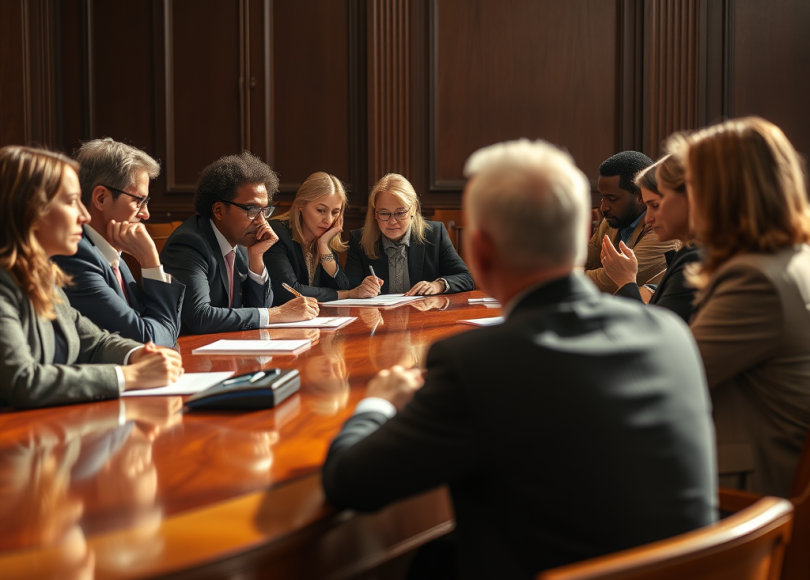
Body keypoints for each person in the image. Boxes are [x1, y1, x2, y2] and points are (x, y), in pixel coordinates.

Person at [322, 139, 717, 579]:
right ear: (578, 240)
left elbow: (350, 483)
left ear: (483, 252)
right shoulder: (670, 335)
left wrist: (377, 402)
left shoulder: (474, 363)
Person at [682, 117, 810, 497]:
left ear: (721, 193)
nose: (688, 201)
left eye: (690, 186)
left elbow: (678, 377)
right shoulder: (794, 259)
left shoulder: (754, 279)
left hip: (746, 495)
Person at [0, 146, 184, 410]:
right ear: (30, 209)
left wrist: (137, 354)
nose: (84, 215)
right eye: (71, 201)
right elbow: (22, 380)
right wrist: (128, 375)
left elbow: (94, 342)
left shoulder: (42, 275)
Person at [161, 151, 319, 334]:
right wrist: (277, 313)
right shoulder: (189, 244)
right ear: (219, 211)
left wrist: (256, 258)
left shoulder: (243, 242)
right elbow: (199, 317)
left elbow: (258, 306)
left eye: (265, 210)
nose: (262, 221)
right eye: (252, 209)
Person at [52, 138, 185, 347]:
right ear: (101, 198)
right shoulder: (75, 256)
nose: (146, 214)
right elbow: (148, 340)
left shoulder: (114, 255)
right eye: (137, 201)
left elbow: (166, 331)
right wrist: (150, 261)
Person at [600, 154, 701, 323]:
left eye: (655, 205)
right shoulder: (688, 251)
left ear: (687, 200)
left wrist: (627, 281)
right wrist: (651, 289)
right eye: (647, 206)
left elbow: (651, 332)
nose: (648, 218)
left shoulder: (695, 258)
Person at [345, 173, 473, 295]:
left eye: (400, 213)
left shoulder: (434, 234)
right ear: (375, 213)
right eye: (384, 213)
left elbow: (465, 278)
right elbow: (349, 288)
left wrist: (438, 285)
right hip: (378, 316)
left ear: (413, 208)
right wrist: (360, 290)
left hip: (423, 315)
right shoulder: (359, 240)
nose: (392, 221)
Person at [263, 171, 379, 304]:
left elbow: (342, 286)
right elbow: (290, 292)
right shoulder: (277, 233)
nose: (328, 220)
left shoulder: (323, 238)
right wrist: (345, 294)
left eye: (335, 212)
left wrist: (323, 245)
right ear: (301, 204)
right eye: (320, 210)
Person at [585, 151, 679, 293]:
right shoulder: (615, 218)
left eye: (612, 199)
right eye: (603, 197)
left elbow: (610, 281)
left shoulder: (663, 227)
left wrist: (561, 276)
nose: (603, 207)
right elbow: (587, 256)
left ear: (639, 195)